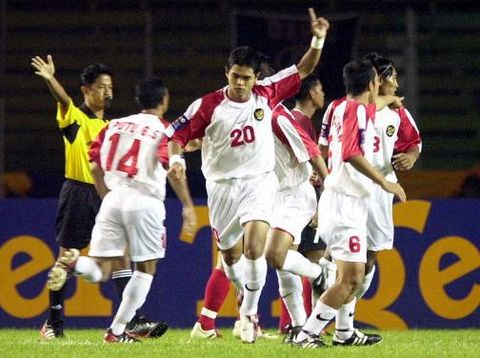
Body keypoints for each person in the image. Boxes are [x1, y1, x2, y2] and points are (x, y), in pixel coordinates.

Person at [167, 8, 329, 344]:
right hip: (222, 188)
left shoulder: (267, 95)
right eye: (235, 76)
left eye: (247, 78)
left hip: (259, 183)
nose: (241, 83)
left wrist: (318, 39)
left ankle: (247, 316)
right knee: (229, 259)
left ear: (256, 78)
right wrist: (176, 159)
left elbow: (304, 69)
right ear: (226, 73)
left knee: (256, 248)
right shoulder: (207, 106)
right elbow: (177, 135)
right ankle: (244, 312)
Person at [46, 77, 197, 343]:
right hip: (145, 202)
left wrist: (107, 197)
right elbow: (174, 170)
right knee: (145, 270)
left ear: (139, 101)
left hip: (113, 200)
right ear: (165, 101)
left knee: (100, 269)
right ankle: (116, 331)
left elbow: (94, 166)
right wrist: (187, 206)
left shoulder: (113, 125)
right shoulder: (165, 130)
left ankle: (73, 263)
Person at [31, 56, 163, 340]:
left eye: (110, 86)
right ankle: (53, 322)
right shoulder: (75, 118)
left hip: (108, 195)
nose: (107, 92)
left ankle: (133, 321)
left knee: (122, 257)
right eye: (101, 86)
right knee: (66, 255)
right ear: (86, 90)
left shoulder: (114, 126)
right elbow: (64, 100)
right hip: (78, 193)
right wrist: (51, 79)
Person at [293, 59, 406, 348]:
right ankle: (307, 334)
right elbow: (351, 153)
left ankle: (342, 333)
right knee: (350, 278)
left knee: (351, 277)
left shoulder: (344, 107)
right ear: (372, 84)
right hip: (345, 204)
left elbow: (373, 107)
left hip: (344, 201)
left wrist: (390, 98)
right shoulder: (357, 111)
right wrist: (385, 183)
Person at [317, 53, 422, 345]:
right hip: (352, 188)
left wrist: (410, 157)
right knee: (348, 261)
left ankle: (343, 327)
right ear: (379, 79)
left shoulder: (399, 113)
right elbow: (325, 147)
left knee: (368, 257)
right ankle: (317, 321)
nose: (396, 83)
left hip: (378, 191)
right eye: (393, 77)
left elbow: (413, 142)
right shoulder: (343, 107)